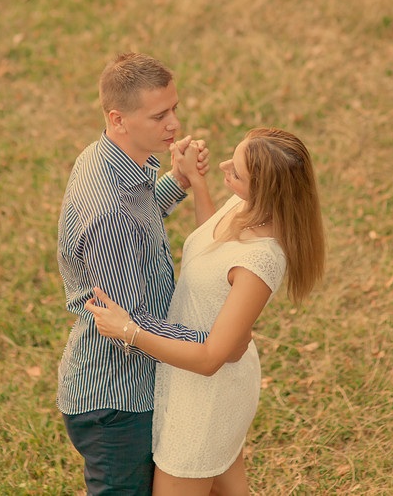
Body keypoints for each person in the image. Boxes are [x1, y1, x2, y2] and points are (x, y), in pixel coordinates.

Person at [86, 127, 325, 496]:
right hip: (192, 378)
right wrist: (197, 182)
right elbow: (213, 248)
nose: (225, 165)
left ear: (264, 190)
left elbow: (212, 357)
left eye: (238, 171)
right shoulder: (246, 206)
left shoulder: (260, 263)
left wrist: (129, 331)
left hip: (208, 396)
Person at [57, 53, 215, 496]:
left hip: (138, 383)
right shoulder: (107, 210)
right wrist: (212, 345)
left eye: (175, 109)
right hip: (116, 402)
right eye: (160, 115)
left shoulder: (115, 159)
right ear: (118, 118)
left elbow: (141, 219)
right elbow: (128, 323)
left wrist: (179, 181)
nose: (174, 125)